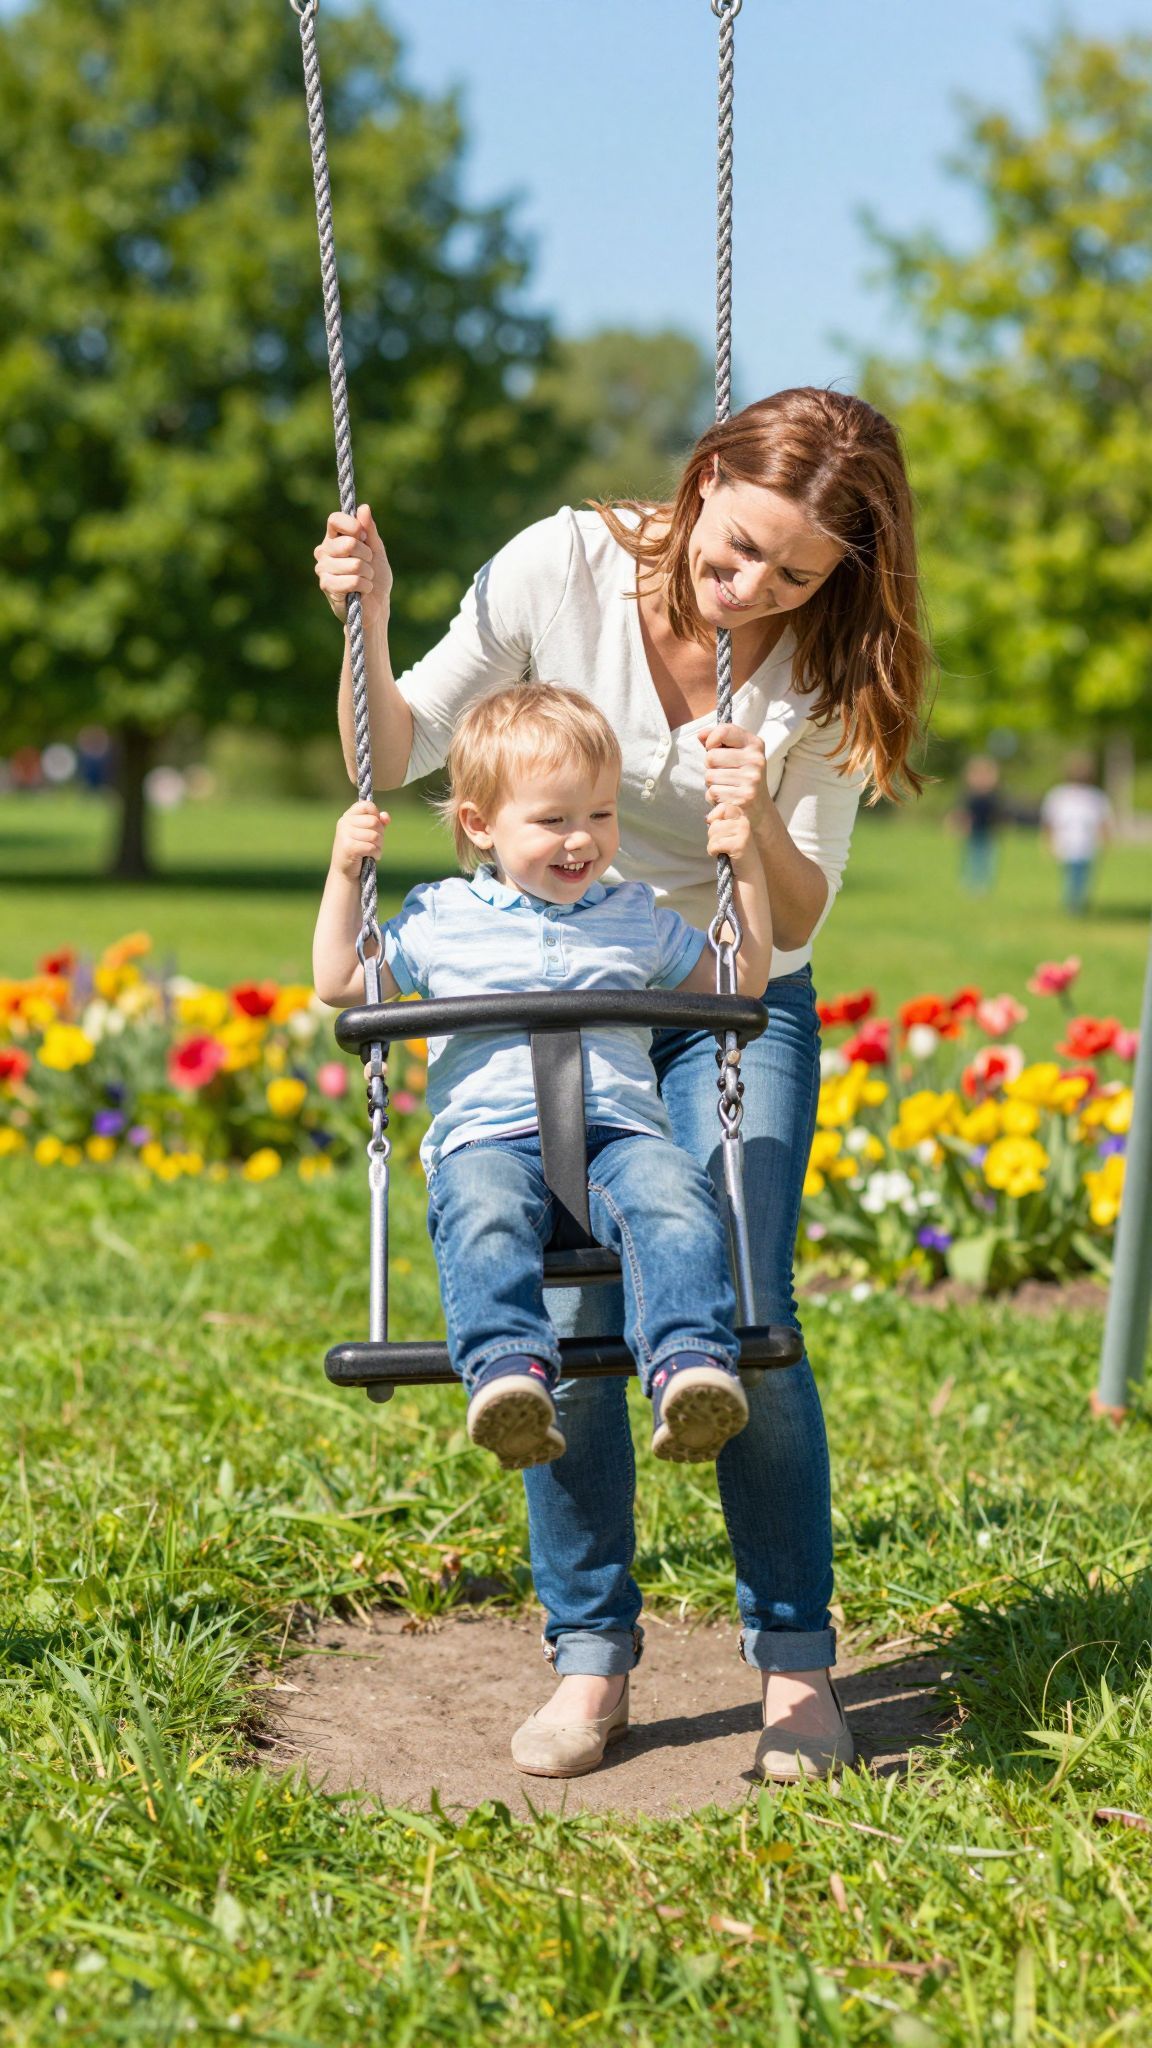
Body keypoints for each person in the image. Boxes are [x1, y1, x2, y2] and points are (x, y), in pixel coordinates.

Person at [313, 387, 932, 1784]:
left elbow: (796, 919)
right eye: (736, 546)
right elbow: (397, 753)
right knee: (580, 1326)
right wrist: (369, 611)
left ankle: (792, 1667)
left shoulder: (829, 672)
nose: (750, 586)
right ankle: (590, 1661)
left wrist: (750, 817)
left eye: (794, 570)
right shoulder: (561, 566)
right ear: (702, 479)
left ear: (841, 571)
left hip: (725, 991)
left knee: (741, 1306)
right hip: (553, 988)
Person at [312, 683, 773, 1482]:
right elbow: (343, 978)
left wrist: (747, 865)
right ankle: (507, 1378)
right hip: (486, 1139)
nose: (581, 840)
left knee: (676, 1196)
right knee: (483, 1214)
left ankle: (690, 1364)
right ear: (480, 826)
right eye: (553, 820)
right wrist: (345, 871)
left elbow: (736, 984)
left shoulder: (635, 913)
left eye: (600, 815)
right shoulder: (441, 918)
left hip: (622, 1135)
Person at [1040, 753, 1113, 915]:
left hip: (1086, 843)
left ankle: (1077, 901)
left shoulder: (1095, 797)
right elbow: (1050, 821)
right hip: (1066, 842)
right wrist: (1047, 841)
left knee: (1082, 874)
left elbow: (1103, 821)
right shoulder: (1059, 795)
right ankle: (1073, 902)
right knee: (1072, 873)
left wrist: (1105, 840)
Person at [950, 755, 1005, 894]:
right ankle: (970, 882)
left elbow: (999, 815)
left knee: (987, 859)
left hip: (988, 832)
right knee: (971, 858)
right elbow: (962, 813)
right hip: (973, 832)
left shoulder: (993, 796)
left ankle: (983, 884)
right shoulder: (969, 796)